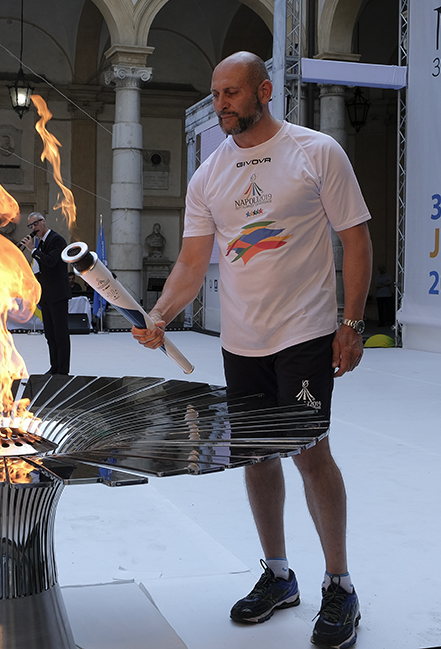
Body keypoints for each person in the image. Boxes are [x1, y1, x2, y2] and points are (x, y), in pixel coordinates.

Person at [131, 51, 372, 649]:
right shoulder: (209, 175)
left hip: (306, 334)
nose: (222, 105)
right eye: (216, 95)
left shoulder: (316, 152)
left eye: (232, 93)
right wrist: (160, 314)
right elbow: (191, 262)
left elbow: (357, 240)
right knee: (257, 457)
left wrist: (352, 322)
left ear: (264, 90)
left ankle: (339, 584)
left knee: (310, 452)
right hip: (243, 344)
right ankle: (278, 574)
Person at [19, 212, 71, 375]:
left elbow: (51, 261)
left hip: (58, 294)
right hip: (46, 294)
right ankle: (54, 367)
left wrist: (32, 250)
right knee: (50, 334)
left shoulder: (57, 240)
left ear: (43, 222)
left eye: (35, 224)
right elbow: (40, 268)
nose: (33, 228)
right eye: (30, 226)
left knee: (60, 333)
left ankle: (63, 370)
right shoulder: (41, 244)